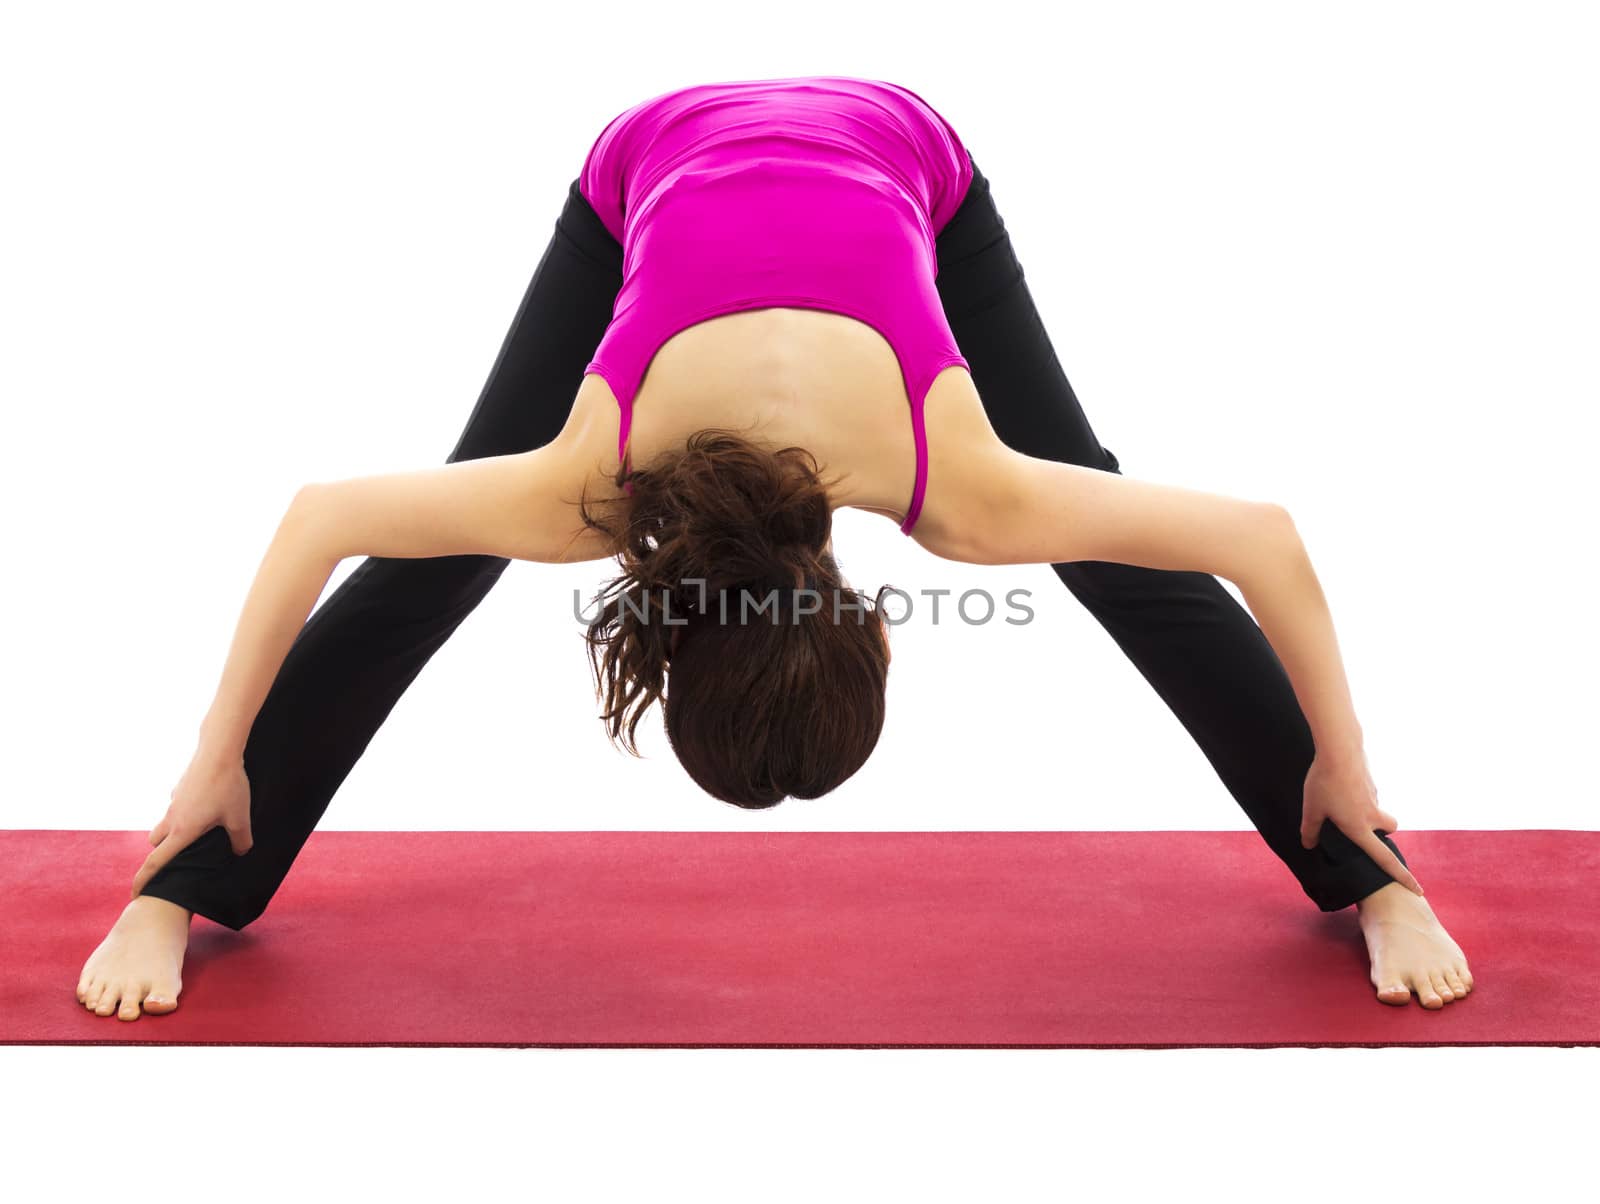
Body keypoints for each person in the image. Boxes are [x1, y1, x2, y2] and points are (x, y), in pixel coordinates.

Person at [76, 75, 1472, 1022]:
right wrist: (210, 758)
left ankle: (1376, 882)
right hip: (655, 158)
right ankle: (178, 889)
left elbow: (1262, 541)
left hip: (900, 157)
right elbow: (320, 517)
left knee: (1120, 542)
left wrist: (1345, 764)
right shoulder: (605, 478)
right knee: (436, 547)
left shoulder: (959, 485)